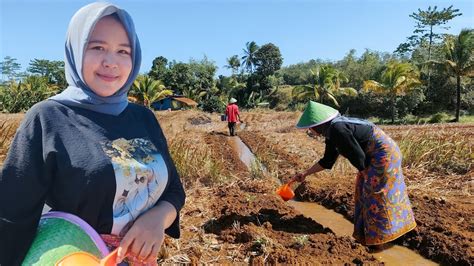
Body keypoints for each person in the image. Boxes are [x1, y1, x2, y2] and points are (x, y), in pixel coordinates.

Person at [0, 3, 185, 265]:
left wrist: (158, 218)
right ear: (75, 50)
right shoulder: (48, 118)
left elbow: (174, 189)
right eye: (97, 47)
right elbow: (12, 215)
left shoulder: (143, 118)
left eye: (123, 51)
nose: (111, 62)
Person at [291, 101, 416, 248]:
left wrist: (365, 173)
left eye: (310, 128)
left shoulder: (338, 129)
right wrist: (305, 173)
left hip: (383, 155)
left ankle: (380, 239)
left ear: (316, 125)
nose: (310, 131)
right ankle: (370, 235)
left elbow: (359, 157)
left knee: (374, 194)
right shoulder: (332, 131)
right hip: (374, 156)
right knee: (362, 191)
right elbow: (327, 161)